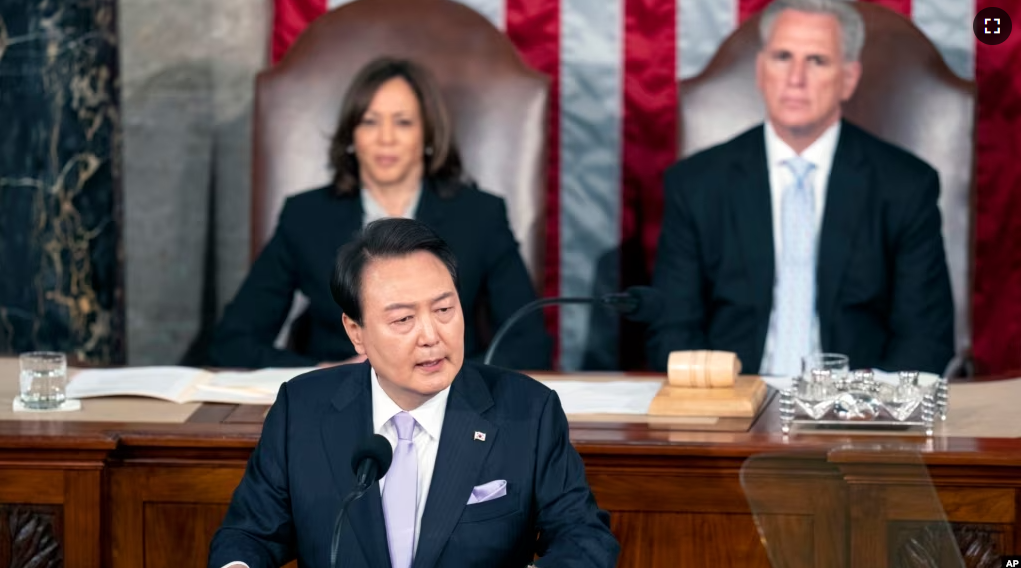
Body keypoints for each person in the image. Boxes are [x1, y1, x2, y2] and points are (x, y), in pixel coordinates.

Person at [209, 218, 620, 568]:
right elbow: (250, 536)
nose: (431, 336)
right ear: (357, 332)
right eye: (403, 319)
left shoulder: (529, 412)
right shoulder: (301, 409)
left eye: (444, 310)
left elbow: (583, 536)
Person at [647, 0, 954, 376]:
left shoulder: (906, 186)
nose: (796, 78)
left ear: (849, 78)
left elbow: (926, 339)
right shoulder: (695, 185)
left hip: (858, 417)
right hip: (731, 412)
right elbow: (672, 333)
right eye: (782, 57)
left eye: (817, 61)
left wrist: (864, 413)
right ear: (761, 71)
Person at [209, 57, 551, 370]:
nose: (385, 138)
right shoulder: (306, 216)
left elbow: (529, 345)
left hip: (451, 403)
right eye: (370, 122)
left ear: (428, 135)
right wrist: (320, 374)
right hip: (338, 406)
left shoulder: (480, 215)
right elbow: (233, 342)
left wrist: (446, 377)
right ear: (352, 137)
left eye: (402, 123)